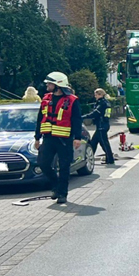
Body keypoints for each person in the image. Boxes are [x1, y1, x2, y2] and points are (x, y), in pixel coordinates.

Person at [35, 71, 82, 204]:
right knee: (43, 163)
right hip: (48, 138)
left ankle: (62, 193)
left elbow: (76, 120)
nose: (47, 85)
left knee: (64, 167)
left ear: (57, 85)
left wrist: (77, 137)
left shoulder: (72, 100)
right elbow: (40, 119)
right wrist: (37, 137)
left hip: (64, 139)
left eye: (49, 83)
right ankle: (56, 185)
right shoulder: (46, 99)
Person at [86, 87, 115, 165]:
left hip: (101, 126)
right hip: (103, 125)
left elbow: (95, 113)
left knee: (104, 143)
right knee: (94, 142)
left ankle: (110, 159)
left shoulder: (102, 103)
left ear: (100, 94)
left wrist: (83, 117)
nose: (95, 96)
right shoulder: (106, 102)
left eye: (96, 95)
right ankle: (89, 158)